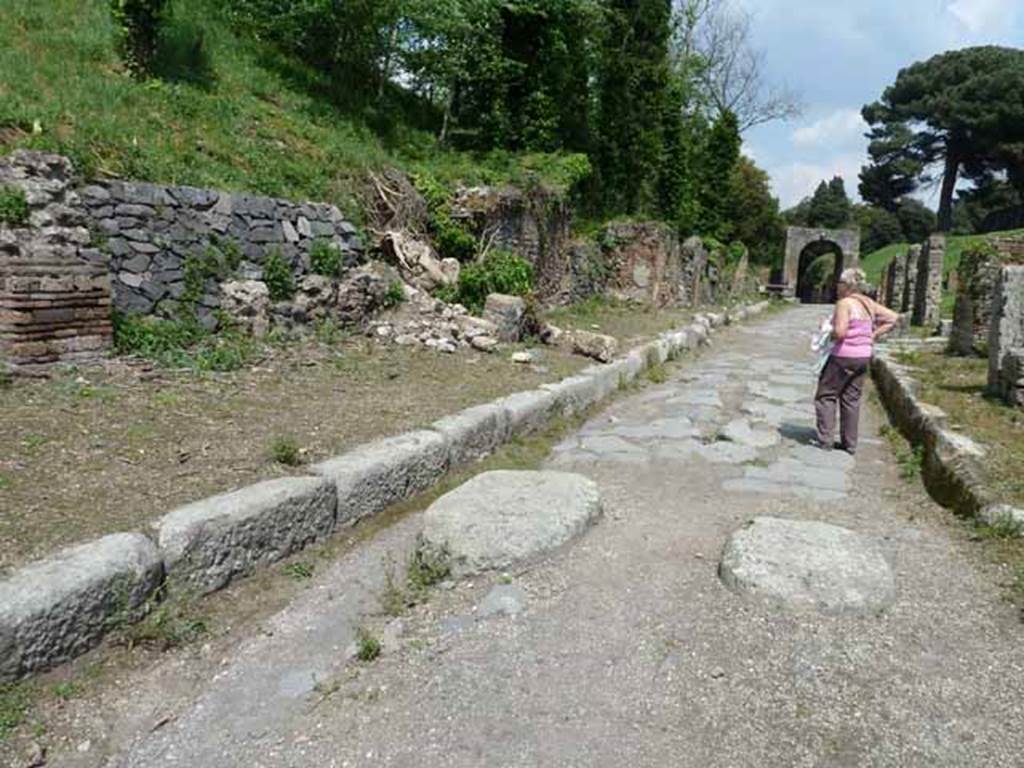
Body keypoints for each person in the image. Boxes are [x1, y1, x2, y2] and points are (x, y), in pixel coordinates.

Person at [813, 268, 899, 454]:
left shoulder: (844, 303)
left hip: (843, 356)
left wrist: (827, 328)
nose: (837, 287)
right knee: (851, 398)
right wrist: (872, 335)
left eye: (840, 283)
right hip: (862, 356)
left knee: (826, 395)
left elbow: (841, 332)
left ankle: (826, 439)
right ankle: (849, 444)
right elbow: (893, 318)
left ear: (848, 286)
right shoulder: (868, 303)